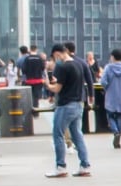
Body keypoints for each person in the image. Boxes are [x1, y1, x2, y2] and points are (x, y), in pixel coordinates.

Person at [46, 43, 93, 178]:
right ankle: (85, 165)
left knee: (58, 134)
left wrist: (48, 85)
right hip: (78, 104)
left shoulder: (62, 66)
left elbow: (57, 89)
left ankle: (60, 167)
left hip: (65, 105)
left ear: (57, 53)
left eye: (55, 57)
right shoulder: (78, 63)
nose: (56, 60)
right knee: (77, 135)